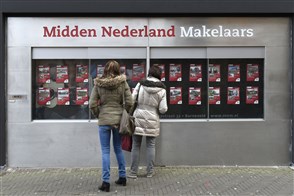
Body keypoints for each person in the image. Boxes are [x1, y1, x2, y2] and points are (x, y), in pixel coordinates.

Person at [89, 60, 133, 192]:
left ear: (105, 70)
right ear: (118, 69)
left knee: (105, 151)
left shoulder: (98, 83)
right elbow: (130, 101)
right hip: (118, 121)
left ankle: (106, 182)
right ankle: (122, 177)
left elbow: (92, 104)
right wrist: (124, 113)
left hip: (104, 120)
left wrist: (99, 114)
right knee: (118, 149)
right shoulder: (122, 82)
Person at [128, 65, 168, 178]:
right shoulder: (162, 89)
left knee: (136, 145)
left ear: (149, 73)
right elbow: (163, 109)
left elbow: (131, 99)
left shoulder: (140, 84)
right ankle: (150, 172)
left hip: (138, 116)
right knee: (151, 145)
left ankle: (133, 172)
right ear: (159, 75)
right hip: (153, 118)